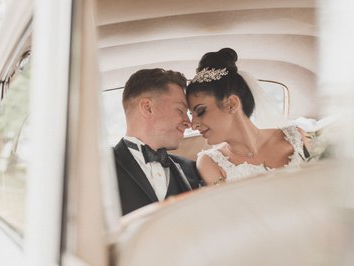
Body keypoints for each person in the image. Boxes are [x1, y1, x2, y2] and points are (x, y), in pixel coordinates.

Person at [186, 48, 311, 185]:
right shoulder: (209, 163)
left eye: (201, 111)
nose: (193, 124)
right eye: (191, 115)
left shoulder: (296, 137)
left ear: (232, 104)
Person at [113, 68, 203, 215]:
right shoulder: (98, 169)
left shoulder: (192, 169)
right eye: (181, 110)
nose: (189, 122)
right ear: (147, 108)